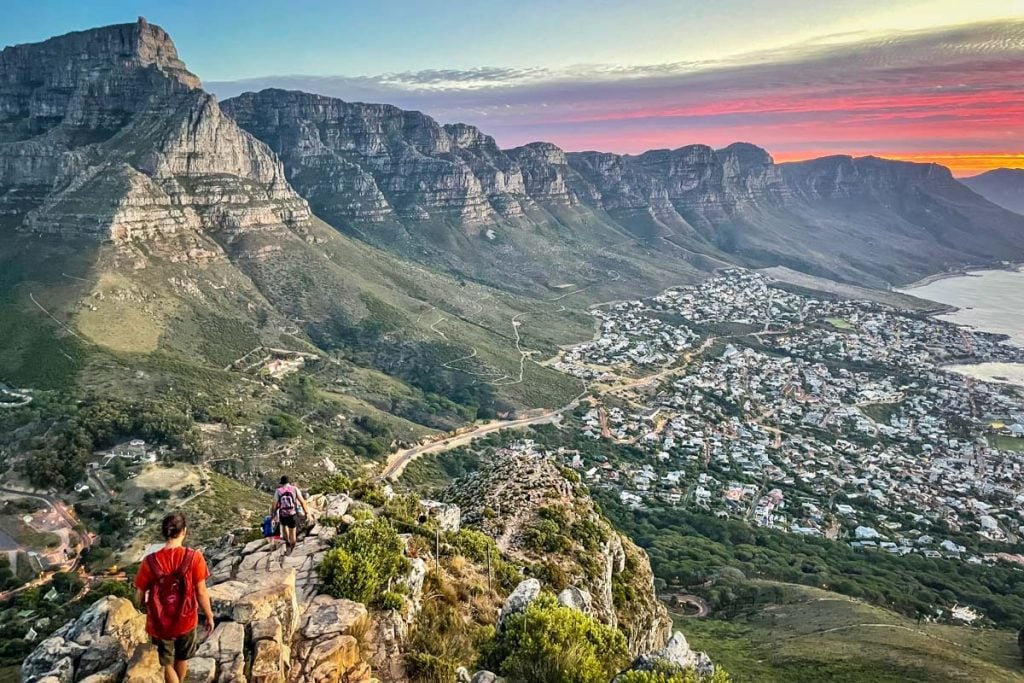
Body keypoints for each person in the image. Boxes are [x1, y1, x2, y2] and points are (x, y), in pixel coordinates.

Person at [134, 513, 214, 683]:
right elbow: (201, 591)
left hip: (160, 623)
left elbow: (139, 594)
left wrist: (142, 608)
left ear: (164, 533)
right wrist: (209, 615)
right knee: (182, 658)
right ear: (184, 531)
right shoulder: (194, 558)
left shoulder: (150, 562)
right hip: (186, 619)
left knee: (167, 663)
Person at [272, 475, 307, 552]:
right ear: (289, 482)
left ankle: (287, 542)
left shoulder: (278, 491)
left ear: (282, 483)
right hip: (292, 514)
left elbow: (274, 505)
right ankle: (293, 548)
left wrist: (273, 515)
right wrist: (306, 513)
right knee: (293, 532)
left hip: (283, 515)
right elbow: (302, 502)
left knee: (284, 527)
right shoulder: (294, 489)